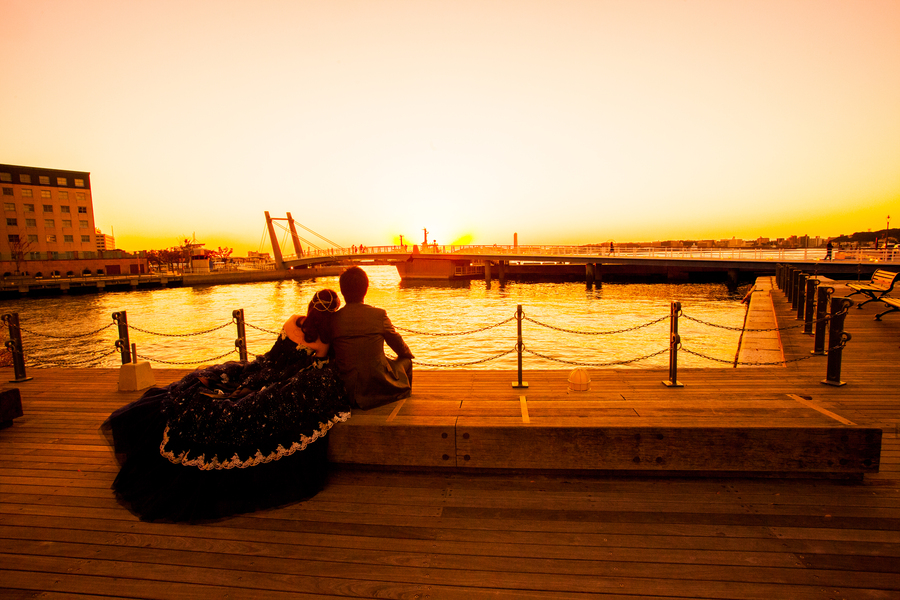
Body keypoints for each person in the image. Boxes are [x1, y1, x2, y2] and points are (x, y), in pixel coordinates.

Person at [101, 289, 350, 522]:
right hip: (277, 380)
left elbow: (276, 354)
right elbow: (313, 366)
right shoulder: (324, 340)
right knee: (251, 411)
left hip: (260, 370)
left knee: (216, 386)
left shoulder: (293, 321)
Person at [331, 266, 414, 409]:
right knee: (406, 360)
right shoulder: (378, 315)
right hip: (377, 384)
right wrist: (408, 354)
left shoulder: (333, 319)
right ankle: (402, 396)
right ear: (365, 289)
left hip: (347, 389)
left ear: (342, 290)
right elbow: (398, 345)